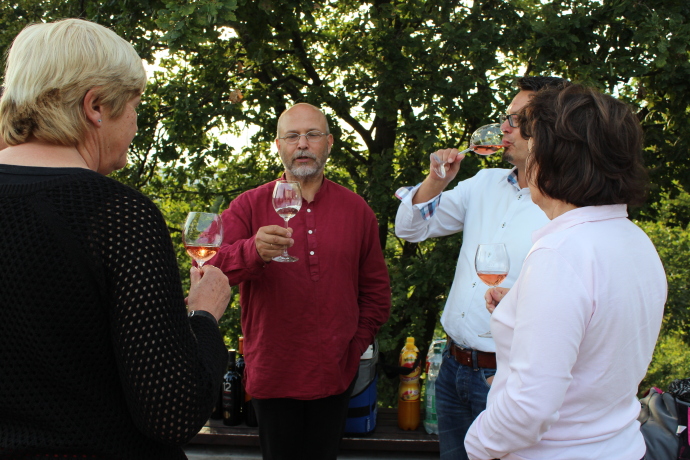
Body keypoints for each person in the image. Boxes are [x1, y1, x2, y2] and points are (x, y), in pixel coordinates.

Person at [0, 19, 232, 459]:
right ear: (96, 107)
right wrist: (204, 316)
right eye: (135, 105)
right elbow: (174, 413)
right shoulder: (115, 215)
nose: (136, 123)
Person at [464, 84, 667, 459]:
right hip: (620, 447)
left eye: (533, 146)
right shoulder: (633, 239)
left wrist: (476, 445)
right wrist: (525, 306)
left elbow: (528, 410)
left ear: (556, 157)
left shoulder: (561, 253)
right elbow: (600, 334)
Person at [395, 76, 567, 459]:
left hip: (507, 377)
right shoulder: (484, 183)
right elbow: (410, 229)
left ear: (552, 128)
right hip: (452, 369)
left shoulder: (567, 205)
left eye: (518, 120)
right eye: (506, 117)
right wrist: (435, 180)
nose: (505, 128)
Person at [209, 102, 391, 460]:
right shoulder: (247, 206)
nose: (302, 144)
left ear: (329, 143)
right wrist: (253, 251)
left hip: (336, 375)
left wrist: (352, 349)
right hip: (273, 373)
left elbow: (376, 294)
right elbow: (211, 268)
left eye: (312, 135)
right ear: (278, 146)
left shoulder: (357, 210)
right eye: (292, 136)